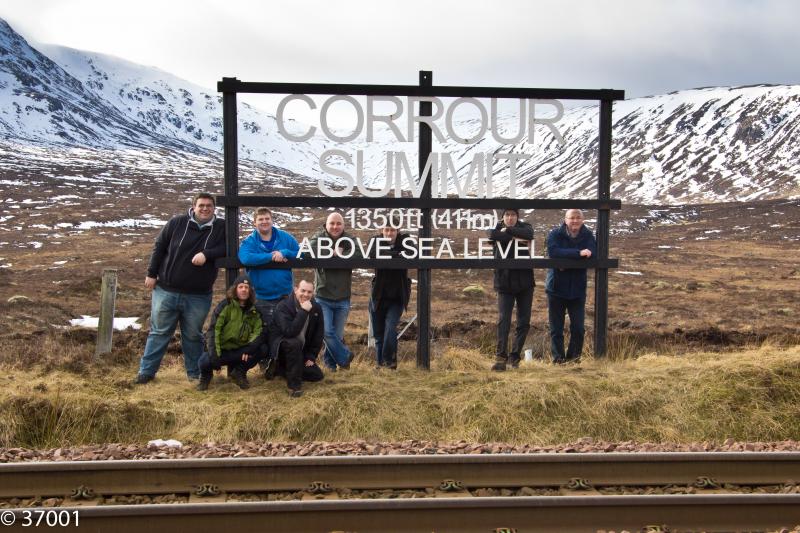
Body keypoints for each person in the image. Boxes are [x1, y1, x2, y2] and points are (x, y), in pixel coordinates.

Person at [136, 192, 226, 384]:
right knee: (159, 333)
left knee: (193, 335)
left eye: (209, 205)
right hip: (166, 290)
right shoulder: (177, 222)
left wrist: (207, 254)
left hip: (199, 295)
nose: (205, 209)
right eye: (201, 205)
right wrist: (151, 273)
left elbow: (230, 248)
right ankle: (146, 373)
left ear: (214, 208)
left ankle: (195, 375)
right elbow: (159, 246)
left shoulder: (221, 227)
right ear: (193, 206)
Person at [306, 212, 359, 371]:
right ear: (326, 225)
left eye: (338, 224)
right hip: (323, 296)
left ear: (343, 225)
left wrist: (344, 253)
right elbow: (308, 249)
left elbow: (360, 254)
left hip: (343, 297)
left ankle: (330, 366)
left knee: (335, 335)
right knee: (327, 332)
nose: (335, 227)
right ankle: (345, 356)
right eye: (332, 223)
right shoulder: (318, 237)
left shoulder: (350, 240)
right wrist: (332, 251)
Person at [197, 274, 268, 391]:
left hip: (241, 351)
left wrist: (249, 348)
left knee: (263, 349)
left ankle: (239, 372)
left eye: (247, 287)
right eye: (241, 287)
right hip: (223, 350)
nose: (244, 289)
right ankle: (206, 377)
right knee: (204, 362)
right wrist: (215, 356)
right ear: (235, 289)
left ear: (250, 291)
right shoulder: (225, 305)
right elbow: (213, 331)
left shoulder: (255, 310)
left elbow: (260, 332)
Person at [545, 209, 597, 364]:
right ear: (565, 219)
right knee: (556, 328)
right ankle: (558, 359)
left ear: (583, 220)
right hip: (556, 287)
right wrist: (578, 254)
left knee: (579, 328)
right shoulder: (555, 234)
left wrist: (566, 260)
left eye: (578, 218)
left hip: (577, 289)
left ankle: (573, 359)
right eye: (572, 218)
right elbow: (553, 252)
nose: (575, 221)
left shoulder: (587, 235)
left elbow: (593, 253)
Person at [488, 208, 535, 371]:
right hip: (504, 282)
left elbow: (529, 234)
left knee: (524, 321)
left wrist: (507, 232)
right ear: (502, 217)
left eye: (513, 215)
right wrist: (515, 236)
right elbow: (492, 235)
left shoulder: (526, 226)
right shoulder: (495, 228)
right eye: (507, 215)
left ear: (517, 216)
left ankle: (514, 357)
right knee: (504, 320)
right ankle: (501, 357)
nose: (510, 218)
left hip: (525, 282)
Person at [238, 207, 300, 326]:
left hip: (285, 296)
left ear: (272, 221)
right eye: (260, 219)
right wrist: (270, 256)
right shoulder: (249, 241)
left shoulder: (285, 237)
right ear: (254, 222)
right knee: (263, 332)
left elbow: (300, 253)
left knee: (286, 331)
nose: (264, 221)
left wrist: (285, 252)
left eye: (267, 218)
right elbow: (245, 258)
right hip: (260, 298)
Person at [267, 279, 325, 397]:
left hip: (300, 353)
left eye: (309, 292)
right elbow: (289, 332)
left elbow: (318, 335)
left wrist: (311, 356)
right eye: (302, 291)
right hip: (282, 348)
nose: (306, 295)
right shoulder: (283, 306)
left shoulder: (316, 308)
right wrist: (303, 311)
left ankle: (280, 369)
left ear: (313, 293)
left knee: (317, 375)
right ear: (295, 290)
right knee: (294, 343)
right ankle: (294, 386)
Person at [368, 222, 412, 370]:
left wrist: (387, 255)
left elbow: (413, 254)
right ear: (382, 230)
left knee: (390, 329)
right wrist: (396, 255)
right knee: (379, 334)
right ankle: (380, 365)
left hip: (397, 297)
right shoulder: (375, 241)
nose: (389, 233)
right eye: (386, 229)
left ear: (398, 231)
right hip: (378, 295)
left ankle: (389, 363)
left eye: (392, 230)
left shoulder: (407, 240)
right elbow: (373, 254)